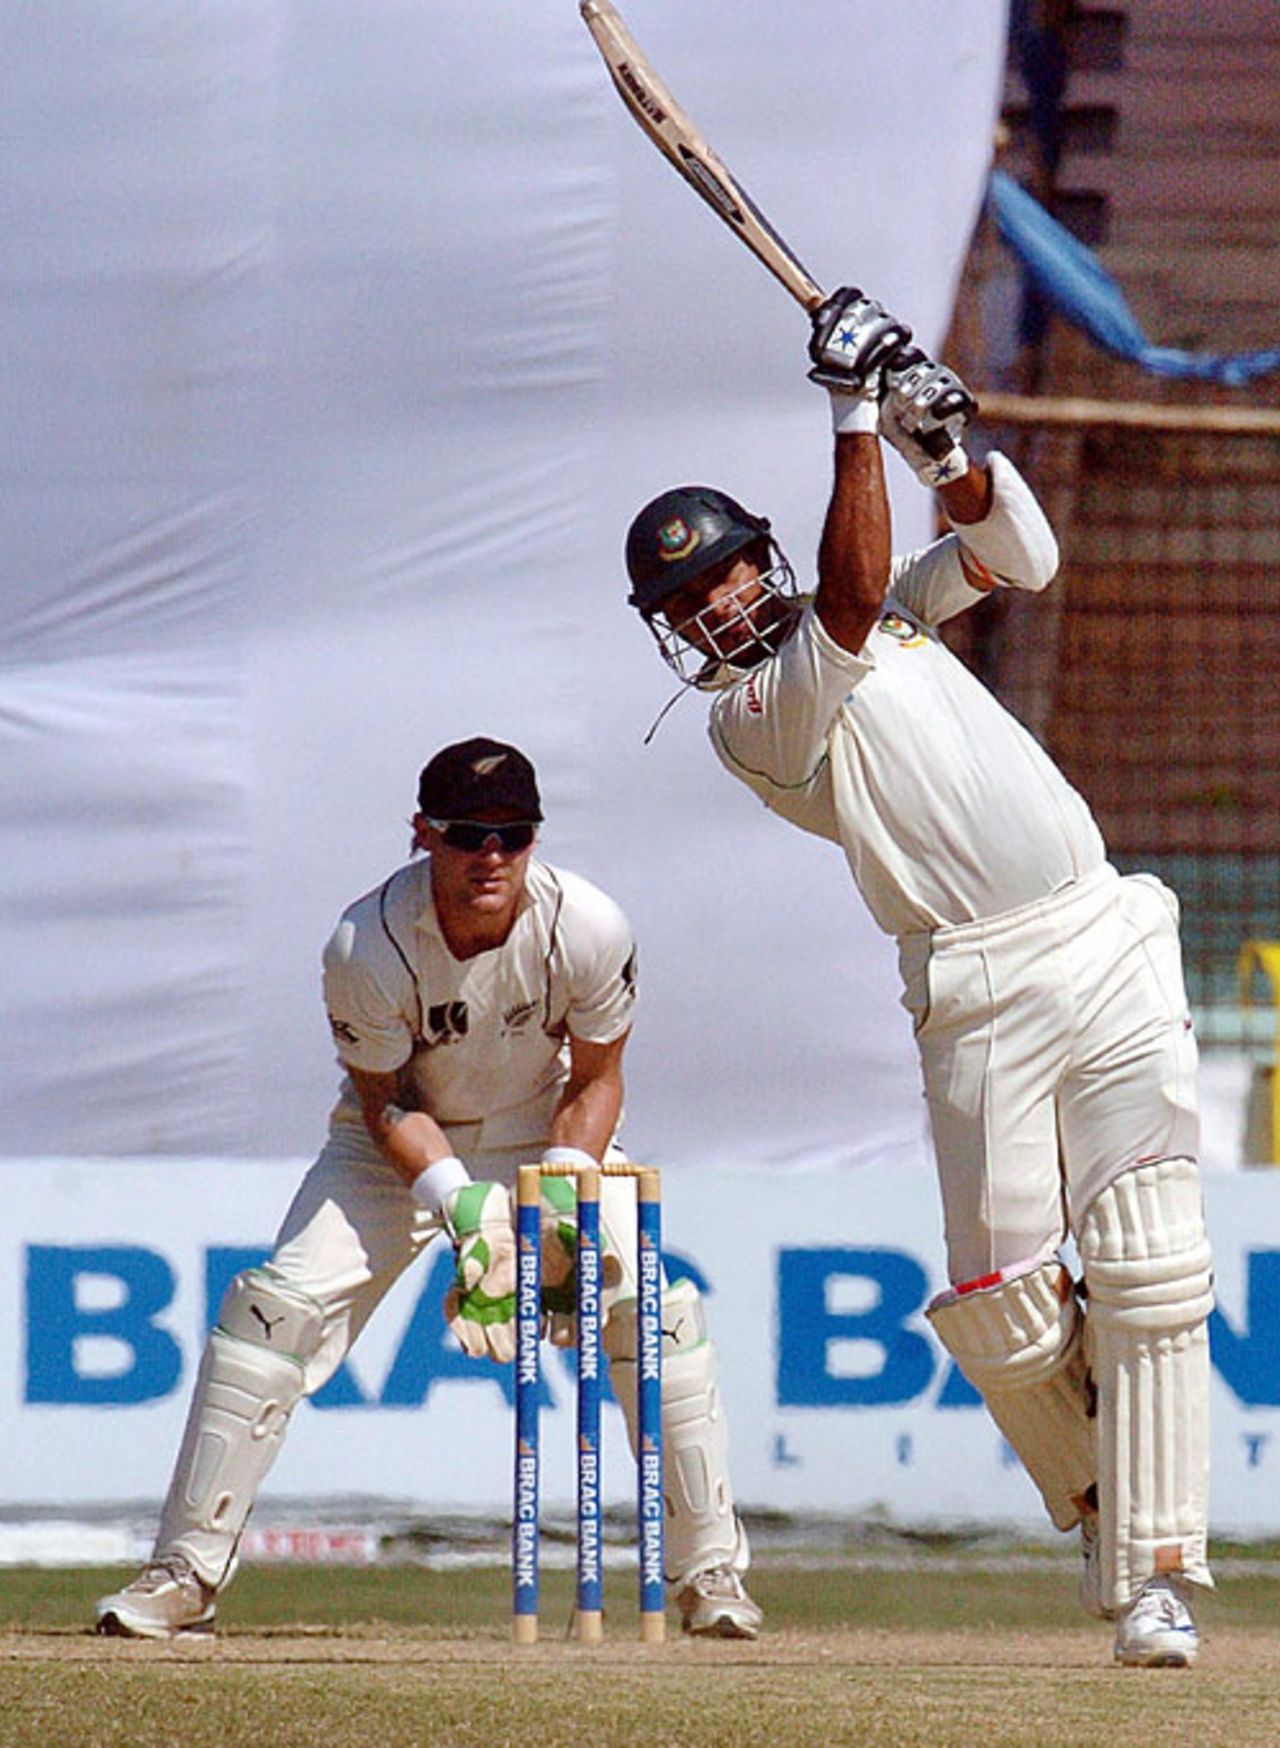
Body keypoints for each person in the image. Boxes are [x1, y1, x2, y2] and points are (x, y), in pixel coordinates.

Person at [622, 291, 1213, 1669]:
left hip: (1103, 933)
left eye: (724, 574)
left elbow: (1023, 554)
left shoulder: (896, 619)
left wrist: (940, 447)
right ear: (677, 635)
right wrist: (848, 414)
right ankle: (1105, 1508)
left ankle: (1153, 1580)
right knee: (1004, 1306)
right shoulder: (755, 724)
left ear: (756, 558)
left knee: (1149, 1263)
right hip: (974, 991)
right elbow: (838, 605)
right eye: (689, 602)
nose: (717, 606)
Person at [96, 736, 761, 1641]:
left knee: (656, 1317)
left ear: (534, 838)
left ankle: (710, 1575)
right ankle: (183, 1574)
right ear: (423, 833)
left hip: (543, 1129)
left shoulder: (589, 926)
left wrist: (563, 1192)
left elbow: (597, 1077)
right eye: (466, 834)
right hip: (397, 1144)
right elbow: (385, 1100)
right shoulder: (363, 943)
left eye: (512, 834)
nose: (490, 856)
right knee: (272, 1315)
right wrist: (460, 1206)